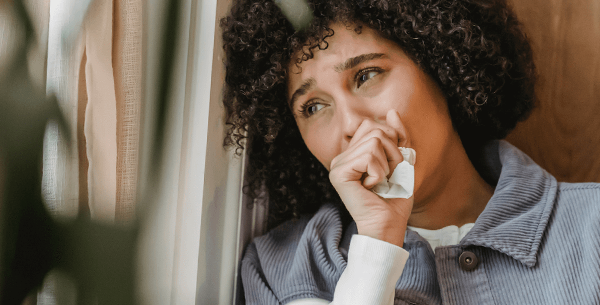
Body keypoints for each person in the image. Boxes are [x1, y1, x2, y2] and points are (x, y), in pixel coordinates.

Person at [220, 0, 600, 304]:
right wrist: (377, 244)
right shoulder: (282, 269)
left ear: (440, 62)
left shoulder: (592, 227)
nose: (351, 124)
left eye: (366, 75)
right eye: (313, 107)